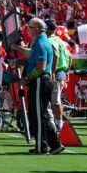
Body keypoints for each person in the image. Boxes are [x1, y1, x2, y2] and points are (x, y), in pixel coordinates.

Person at [21, 18, 61, 154]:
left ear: (37, 28)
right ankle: (55, 144)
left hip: (39, 81)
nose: (28, 30)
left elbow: (40, 67)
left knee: (38, 116)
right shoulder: (41, 42)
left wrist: (27, 78)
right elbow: (53, 56)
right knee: (42, 114)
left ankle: (41, 147)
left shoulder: (40, 43)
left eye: (30, 27)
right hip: (42, 80)